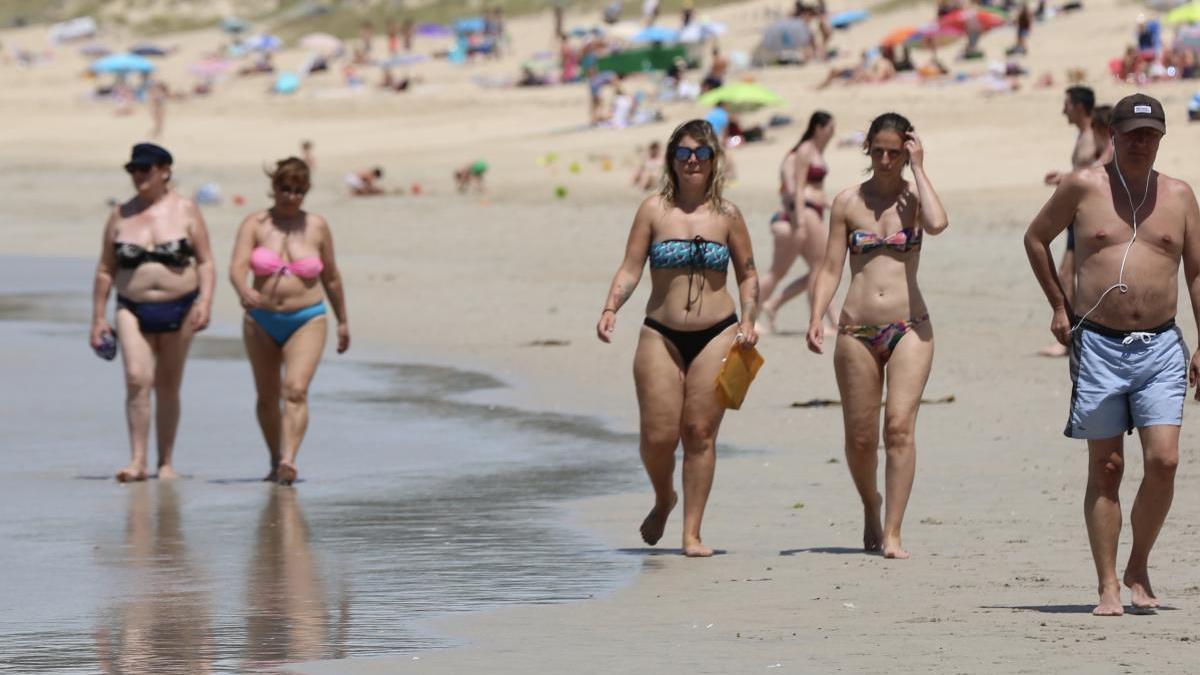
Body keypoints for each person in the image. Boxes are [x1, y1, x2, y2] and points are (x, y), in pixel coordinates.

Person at [1023, 93, 1200, 616]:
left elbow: (1195, 272)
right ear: (1114, 136)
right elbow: (1036, 239)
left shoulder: (1180, 195)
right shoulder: (1082, 185)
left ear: (1161, 138)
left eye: (1151, 134)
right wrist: (1059, 305)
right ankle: (1107, 584)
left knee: (1164, 461)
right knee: (1107, 467)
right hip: (1098, 343)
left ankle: (1138, 563)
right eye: (1132, 134)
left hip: (1162, 344)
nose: (1142, 143)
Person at [596, 119, 759, 557]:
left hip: (718, 332)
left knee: (699, 432)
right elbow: (631, 268)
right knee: (657, 436)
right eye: (684, 153)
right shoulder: (653, 210)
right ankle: (664, 496)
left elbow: (747, 273)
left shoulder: (728, 216)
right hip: (660, 333)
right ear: (672, 159)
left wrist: (749, 318)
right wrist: (612, 306)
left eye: (702, 154)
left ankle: (692, 533)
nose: (693, 161)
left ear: (713, 162)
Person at [806, 113, 949, 559]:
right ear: (867, 149)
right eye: (879, 150)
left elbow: (939, 223)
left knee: (899, 427)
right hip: (856, 328)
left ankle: (893, 532)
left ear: (906, 151)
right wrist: (816, 315)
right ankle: (871, 505)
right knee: (861, 438)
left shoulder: (915, 201)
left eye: (896, 151)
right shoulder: (848, 202)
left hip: (910, 326)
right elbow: (830, 266)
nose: (887, 160)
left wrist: (921, 169)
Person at [89, 143, 216, 482]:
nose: (138, 176)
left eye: (144, 169)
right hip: (132, 308)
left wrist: (205, 301)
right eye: (132, 170)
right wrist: (98, 317)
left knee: (168, 385)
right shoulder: (121, 214)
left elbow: (205, 261)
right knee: (136, 379)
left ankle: (166, 462)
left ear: (164, 171)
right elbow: (105, 268)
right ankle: (137, 460)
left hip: (181, 305)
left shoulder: (187, 210)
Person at [229, 158, 350, 485]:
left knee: (295, 389)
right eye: (285, 188)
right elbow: (238, 266)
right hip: (260, 320)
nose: (291, 196)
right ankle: (273, 458)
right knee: (267, 396)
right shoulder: (255, 224)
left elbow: (332, 278)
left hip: (306, 318)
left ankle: (289, 458)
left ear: (306, 191)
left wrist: (342, 321)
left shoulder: (317, 226)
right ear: (274, 187)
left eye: (298, 191)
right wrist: (243, 290)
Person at [758, 111, 838, 333]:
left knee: (816, 268)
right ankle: (821, 320)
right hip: (803, 214)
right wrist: (800, 222)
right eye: (831, 128)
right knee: (817, 267)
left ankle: (775, 305)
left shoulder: (814, 150)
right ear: (819, 128)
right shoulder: (803, 151)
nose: (833, 133)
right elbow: (798, 189)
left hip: (808, 212)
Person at [1039, 85, 1095, 356]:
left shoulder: (1095, 134)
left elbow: (1100, 170)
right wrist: (1065, 177)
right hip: (1077, 211)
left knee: (1068, 272)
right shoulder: (1083, 135)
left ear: (1079, 107)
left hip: (1088, 212)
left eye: (1067, 104)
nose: (1064, 110)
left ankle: (1070, 337)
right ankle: (1073, 335)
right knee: (1069, 272)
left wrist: (1068, 180)